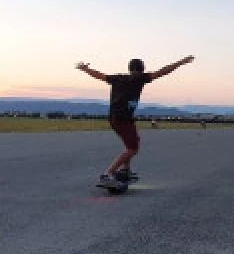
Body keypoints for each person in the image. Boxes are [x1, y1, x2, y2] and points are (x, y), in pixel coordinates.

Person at [76, 55, 194, 183]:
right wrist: (181, 62)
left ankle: (126, 170)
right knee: (132, 149)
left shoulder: (117, 78)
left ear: (129, 68)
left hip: (115, 117)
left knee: (132, 143)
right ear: (142, 69)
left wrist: (85, 69)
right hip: (122, 119)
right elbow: (163, 71)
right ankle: (107, 173)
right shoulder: (139, 78)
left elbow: (99, 75)